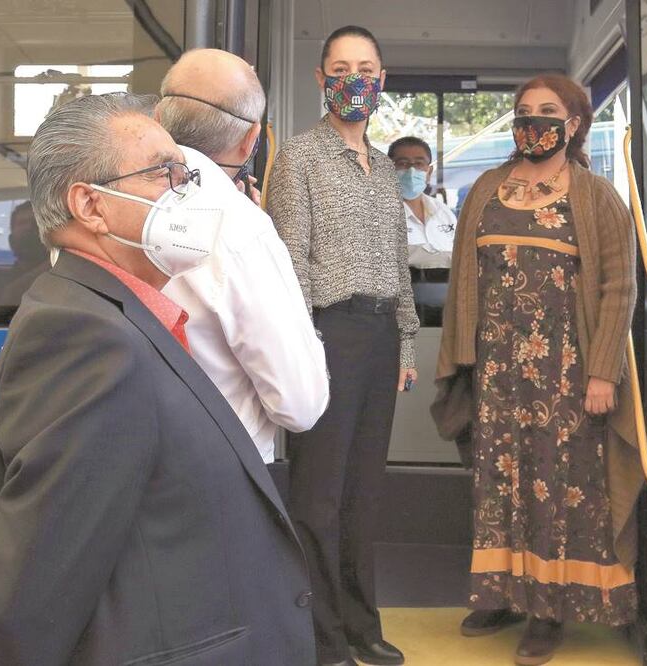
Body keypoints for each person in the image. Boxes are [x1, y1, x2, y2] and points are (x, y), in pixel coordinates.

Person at [0, 93, 315, 664]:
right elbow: (31, 601)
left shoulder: (121, 317)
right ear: (90, 205)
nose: (188, 192)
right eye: (165, 174)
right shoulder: (84, 340)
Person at [432, 73, 641, 666]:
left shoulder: (597, 195)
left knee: (557, 487)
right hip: (496, 370)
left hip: (566, 373)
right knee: (497, 485)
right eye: (524, 111)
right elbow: (462, 281)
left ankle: (548, 610)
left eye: (548, 111)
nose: (534, 121)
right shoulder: (485, 189)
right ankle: (500, 591)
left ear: (573, 123)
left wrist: (603, 373)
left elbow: (618, 287)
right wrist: (461, 360)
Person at [266, 25, 417, 666]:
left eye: (366, 66)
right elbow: (290, 263)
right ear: (321, 79)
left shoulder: (385, 168)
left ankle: (361, 625)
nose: (355, 77)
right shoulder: (299, 157)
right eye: (341, 66)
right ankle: (321, 636)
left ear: (381, 79)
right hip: (327, 333)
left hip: (381, 338)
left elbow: (398, 260)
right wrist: (304, 349)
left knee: (363, 494)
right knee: (318, 496)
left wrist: (406, 343)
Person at [155, 48, 329, 470]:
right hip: (218, 471)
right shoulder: (241, 229)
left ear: (158, 117)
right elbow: (300, 404)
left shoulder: (109, 201)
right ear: (251, 139)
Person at [388, 136, 458, 326]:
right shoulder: (379, 212)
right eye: (402, 164)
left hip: (445, 313)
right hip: (399, 314)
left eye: (419, 164)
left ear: (429, 171)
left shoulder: (443, 212)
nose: (411, 170)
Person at [0, 201, 49, 324]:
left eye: (35, 224)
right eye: (22, 223)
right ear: (11, 241)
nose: (28, 228)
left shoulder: (64, 274)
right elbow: (1, 312)